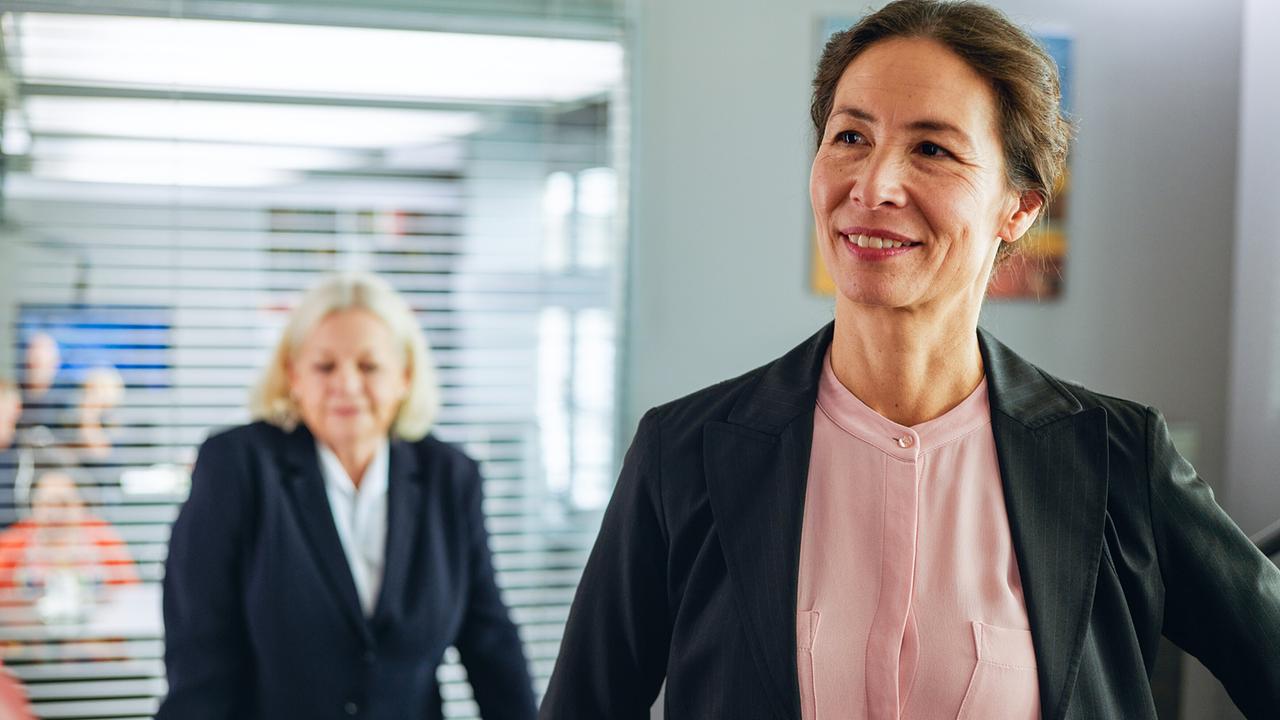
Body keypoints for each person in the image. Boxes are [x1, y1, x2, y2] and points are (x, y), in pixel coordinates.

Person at [540, 1, 1280, 718]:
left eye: (931, 149)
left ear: (1018, 206)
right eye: (850, 138)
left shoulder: (1119, 460)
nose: (873, 185)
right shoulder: (685, 455)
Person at [158, 272, 536, 720]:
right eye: (324, 366)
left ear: (405, 377)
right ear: (293, 375)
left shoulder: (451, 477)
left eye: (369, 366)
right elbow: (201, 658)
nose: (347, 385)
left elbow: (490, 642)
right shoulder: (236, 466)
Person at [0, 466, 139, 616]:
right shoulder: (14, 543)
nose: (54, 513)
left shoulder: (104, 540)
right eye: (46, 504)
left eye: (63, 503)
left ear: (81, 506)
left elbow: (131, 595)